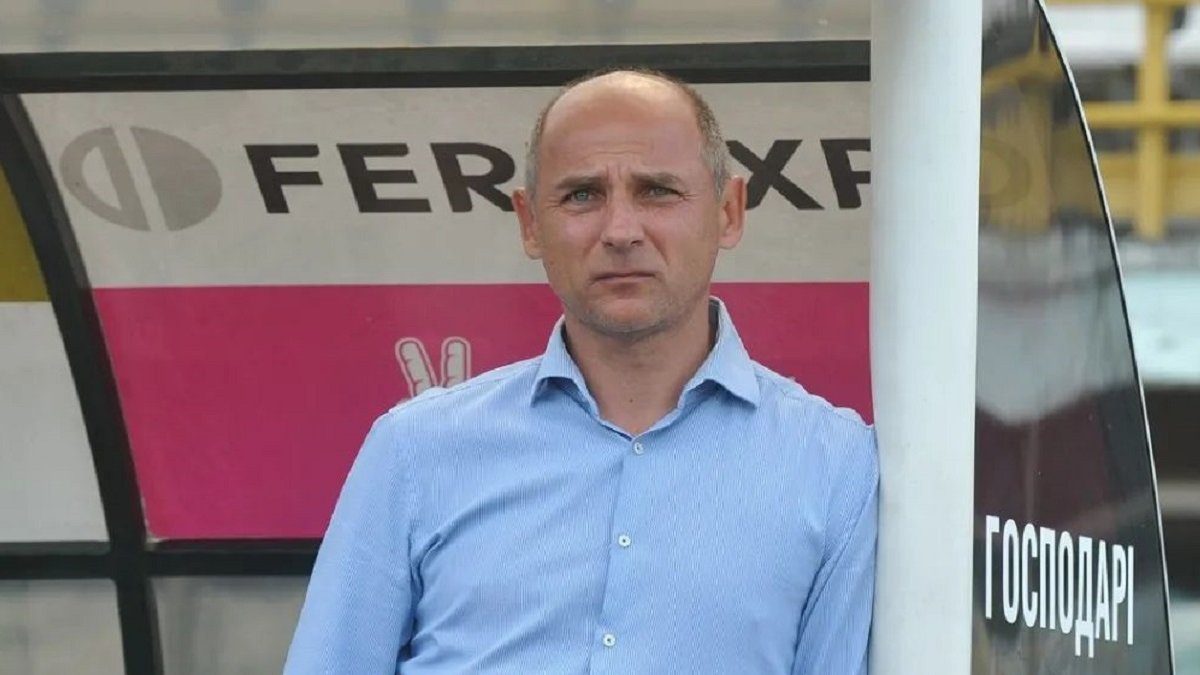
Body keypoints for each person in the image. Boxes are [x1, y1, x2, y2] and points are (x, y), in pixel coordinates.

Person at [283, 68, 878, 674]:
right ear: (529, 223)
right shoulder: (415, 450)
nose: (620, 231)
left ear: (729, 212)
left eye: (657, 191)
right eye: (582, 195)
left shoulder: (835, 465)